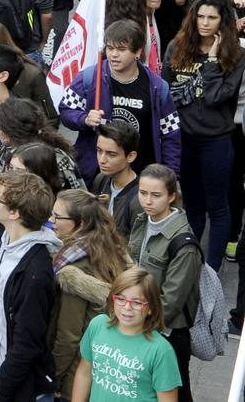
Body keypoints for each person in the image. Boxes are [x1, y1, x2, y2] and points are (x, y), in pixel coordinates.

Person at [161, 0, 244, 269]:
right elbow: (166, 92)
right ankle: (190, 265)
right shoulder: (176, 47)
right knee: (193, 206)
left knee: (218, 207)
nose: (205, 23)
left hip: (216, 140)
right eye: (200, 16)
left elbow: (215, 97)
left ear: (223, 22)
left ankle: (210, 270)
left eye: (212, 17)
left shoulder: (235, 55)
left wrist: (210, 61)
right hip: (183, 139)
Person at [59, 19, 181, 181]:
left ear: (137, 52)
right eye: (110, 48)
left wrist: (170, 174)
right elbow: (66, 111)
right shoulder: (89, 78)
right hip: (97, 174)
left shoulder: (157, 87)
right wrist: (84, 119)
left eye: (121, 49)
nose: (114, 55)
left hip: (140, 175)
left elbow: (170, 133)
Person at [0, 170, 60, 402]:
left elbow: (27, 343)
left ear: (14, 213)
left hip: (10, 388)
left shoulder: (35, 272)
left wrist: (0, 390)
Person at [49, 188, 134, 399]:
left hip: (75, 376)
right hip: (103, 367)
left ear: (80, 224)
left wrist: (53, 377)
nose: (51, 221)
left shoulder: (73, 270)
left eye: (58, 216)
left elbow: (69, 336)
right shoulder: (110, 247)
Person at [128, 164, 203, 402]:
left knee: (175, 393)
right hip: (140, 319)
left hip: (167, 333)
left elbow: (170, 302)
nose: (147, 201)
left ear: (172, 196)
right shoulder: (143, 219)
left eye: (156, 195)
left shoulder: (184, 244)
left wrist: (134, 324)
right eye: (143, 193)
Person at [73, 267, 183, 402]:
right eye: (120, 299)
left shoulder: (161, 350)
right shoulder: (98, 325)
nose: (127, 307)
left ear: (151, 308)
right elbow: (84, 374)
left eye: (137, 302)